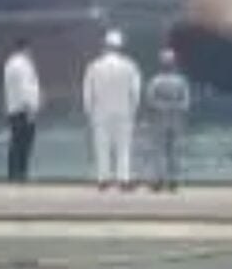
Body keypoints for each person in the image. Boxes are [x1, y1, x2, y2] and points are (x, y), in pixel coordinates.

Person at [82, 29, 143, 191]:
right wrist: (133, 111)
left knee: (102, 146)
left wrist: (89, 112)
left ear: (105, 46)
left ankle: (103, 180)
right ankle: (123, 179)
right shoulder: (130, 66)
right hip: (124, 111)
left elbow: (87, 93)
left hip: (100, 112)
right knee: (123, 148)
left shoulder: (94, 66)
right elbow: (135, 92)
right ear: (120, 47)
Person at [144, 48, 191, 192]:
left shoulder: (155, 81)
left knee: (159, 151)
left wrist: (161, 107)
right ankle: (173, 181)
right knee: (174, 151)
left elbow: (150, 100)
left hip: (160, 119)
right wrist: (175, 107)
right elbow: (186, 103)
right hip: (176, 120)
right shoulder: (181, 81)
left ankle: (158, 180)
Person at [1, 38, 41, 182]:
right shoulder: (24, 65)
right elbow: (25, 87)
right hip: (23, 110)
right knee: (24, 143)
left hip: (13, 108)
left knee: (15, 142)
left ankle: (13, 173)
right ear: (26, 49)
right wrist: (30, 108)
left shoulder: (9, 64)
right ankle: (22, 173)